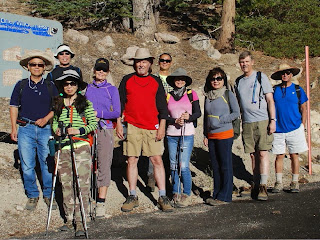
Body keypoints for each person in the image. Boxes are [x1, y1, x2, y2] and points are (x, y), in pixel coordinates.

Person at [117, 48, 173, 212]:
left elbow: (163, 107)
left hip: (152, 127)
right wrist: (119, 123)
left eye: (144, 61)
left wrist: (162, 126)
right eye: (138, 61)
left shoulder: (156, 81)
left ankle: (163, 196)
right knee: (132, 160)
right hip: (132, 125)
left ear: (150, 63)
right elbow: (120, 103)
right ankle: (132, 195)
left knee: (157, 160)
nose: (141, 64)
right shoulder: (127, 79)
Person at [10, 50, 58, 211]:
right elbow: (13, 106)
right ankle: (32, 194)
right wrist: (13, 128)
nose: (36, 67)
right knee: (27, 165)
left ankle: (48, 194)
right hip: (25, 128)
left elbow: (57, 107)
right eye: (33, 64)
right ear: (28, 67)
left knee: (46, 164)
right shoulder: (21, 85)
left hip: (45, 129)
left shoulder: (50, 86)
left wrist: (46, 119)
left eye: (40, 64)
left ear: (44, 68)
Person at [52, 70, 97, 237]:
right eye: (66, 83)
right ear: (62, 86)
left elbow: (93, 124)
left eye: (72, 83)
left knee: (82, 185)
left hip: (81, 145)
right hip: (63, 147)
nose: (69, 86)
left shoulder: (85, 103)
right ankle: (69, 219)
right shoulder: (58, 103)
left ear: (77, 86)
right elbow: (55, 123)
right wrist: (56, 130)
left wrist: (79, 129)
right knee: (66, 184)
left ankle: (81, 221)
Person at [235, 51, 276, 201]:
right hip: (247, 122)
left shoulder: (260, 77)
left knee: (263, 153)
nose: (244, 64)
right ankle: (256, 183)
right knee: (252, 154)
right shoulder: (238, 81)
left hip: (262, 120)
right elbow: (239, 104)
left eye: (246, 61)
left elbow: (270, 100)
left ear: (252, 62)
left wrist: (273, 120)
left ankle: (263, 186)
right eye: (241, 62)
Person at [85, 58, 121, 218]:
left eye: (104, 70)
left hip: (105, 129)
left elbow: (116, 112)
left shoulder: (111, 89)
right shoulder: (86, 88)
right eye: (98, 69)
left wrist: (99, 114)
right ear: (94, 70)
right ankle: (85, 198)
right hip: (87, 129)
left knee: (104, 164)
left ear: (108, 72)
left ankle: (100, 202)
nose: (101, 72)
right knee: (86, 162)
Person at [203, 67, 240, 205]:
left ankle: (225, 195)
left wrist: (221, 120)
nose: (216, 81)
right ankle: (216, 193)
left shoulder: (227, 94)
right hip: (212, 135)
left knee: (225, 165)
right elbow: (206, 117)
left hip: (225, 134)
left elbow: (236, 113)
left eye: (219, 78)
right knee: (216, 166)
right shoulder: (208, 96)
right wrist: (205, 134)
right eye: (213, 78)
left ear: (223, 80)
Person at [165, 68, 201, 207]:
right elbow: (163, 115)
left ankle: (186, 193)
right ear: (173, 81)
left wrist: (189, 117)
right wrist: (174, 120)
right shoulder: (168, 96)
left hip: (187, 133)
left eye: (182, 79)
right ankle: (175, 191)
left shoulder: (192, 94)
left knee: (183, 165)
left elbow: (198, 113)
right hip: (171, 134)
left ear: (185, 81)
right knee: (173, 165)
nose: (180, 81)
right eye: (177, 79)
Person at [270, 64, 308, 193]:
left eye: (287, 73)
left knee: (294, 155)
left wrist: (303, 124)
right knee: (279, 156)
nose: (285, 75)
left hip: (295, 127)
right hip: (278, 129)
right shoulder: (275, 90)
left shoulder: (298, 90)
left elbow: (304, 108)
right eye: (283, 73)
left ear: (291, 74)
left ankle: (295, 181)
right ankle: (278, 182)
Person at [147, 53, 174, 192]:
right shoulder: (154, 78)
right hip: (155, 116)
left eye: (167, 61)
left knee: (168, 148)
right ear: (158, 62)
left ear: (171, 63)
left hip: (171, 117)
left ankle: (166, 177)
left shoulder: (174, 80)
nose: (164, 62)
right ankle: (151, 177)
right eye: (162, 60)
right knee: (154, 146)